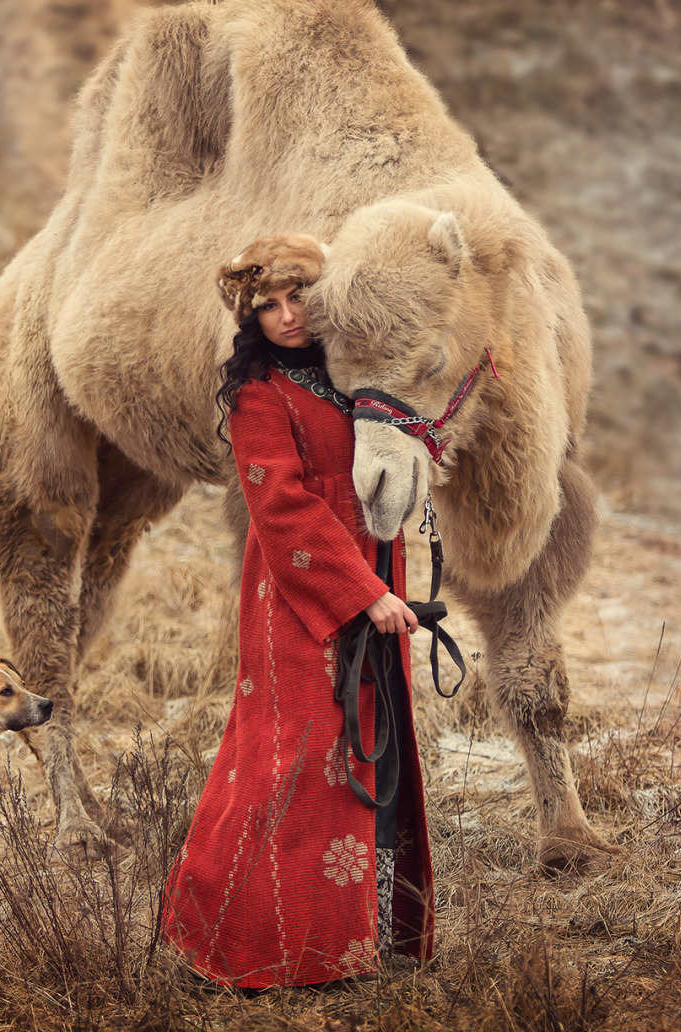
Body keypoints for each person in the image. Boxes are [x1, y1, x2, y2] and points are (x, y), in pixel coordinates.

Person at [162, 233, 434, 989]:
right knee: (293, 759)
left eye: (298, 297)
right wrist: (363, 593)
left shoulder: (354, 379)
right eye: (268, 306)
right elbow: (280, 508)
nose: (286, 316)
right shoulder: (258, 395)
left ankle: (348, 941)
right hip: (299, 597)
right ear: (249, 320)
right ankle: (251, 941)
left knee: (362, 754)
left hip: (372, 582)